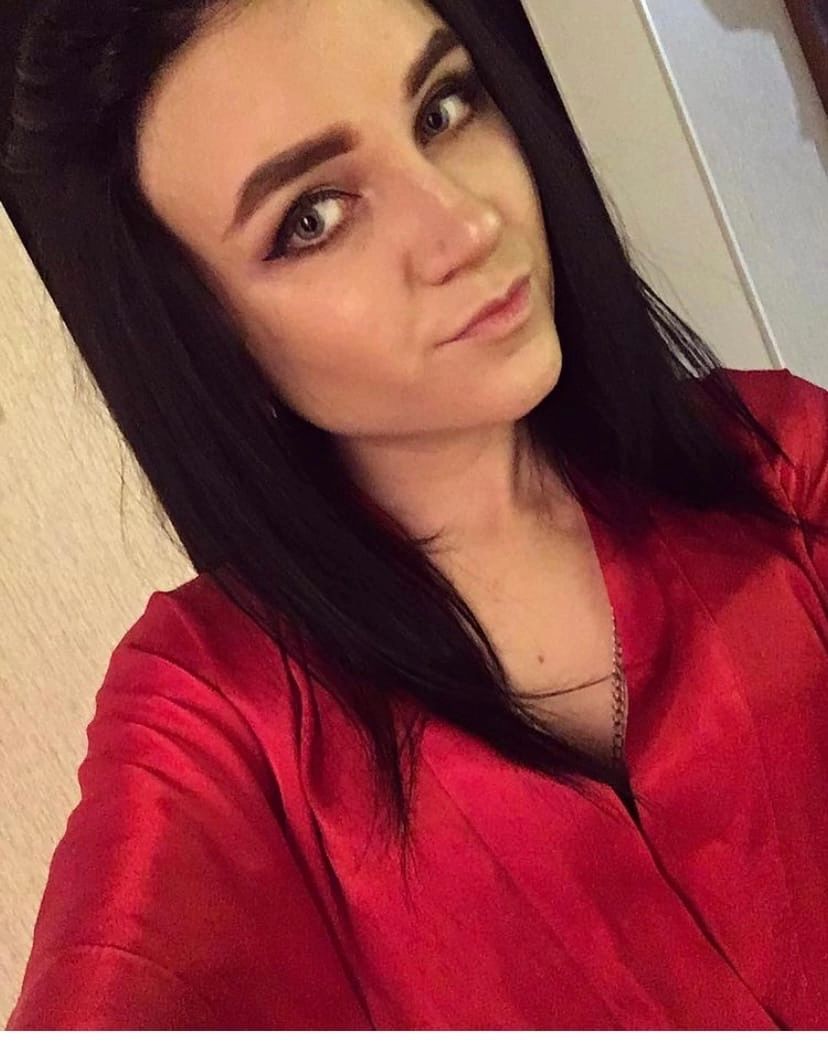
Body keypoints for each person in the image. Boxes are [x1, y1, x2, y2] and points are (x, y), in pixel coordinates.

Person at [3, 0, 827, 1031]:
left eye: (442, 110)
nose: (466, 225)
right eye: (314, 216)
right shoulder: (213, 714)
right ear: (206, 337)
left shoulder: (779, 458)